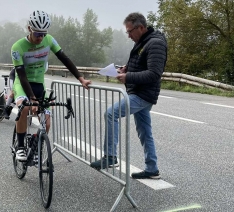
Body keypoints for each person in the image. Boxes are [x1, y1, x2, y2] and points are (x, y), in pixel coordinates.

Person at [90, 12, 167, 179]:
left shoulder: (155, 44)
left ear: (141, 27)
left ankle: (110, 157)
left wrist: (128, 76)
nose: (128, 35)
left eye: (130, 31)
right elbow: (141, 64)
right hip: (139, 92)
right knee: (145, 131)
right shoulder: (143, 42)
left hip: (143, 94)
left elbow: (154, 73)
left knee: (111, 113)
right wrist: (127, 69)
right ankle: (152, 168)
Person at [11, 10, 91, 161]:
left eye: (43, 34)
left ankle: (35, 147)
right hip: (23, 83)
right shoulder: (18, 47)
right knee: (25, 107)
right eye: (37, 34)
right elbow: (21, 75)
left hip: (39, 84)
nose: (40, 38)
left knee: (47, 122)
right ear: (29, 29)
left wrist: (81, 78)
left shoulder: (49, 40)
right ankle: (20, 146)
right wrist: (32, 99)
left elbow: (64, 58)